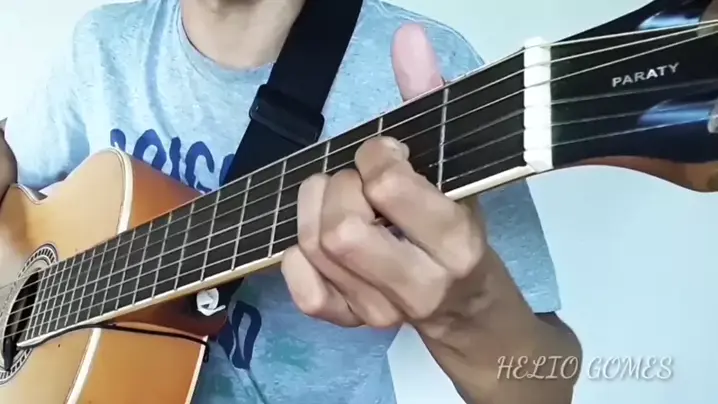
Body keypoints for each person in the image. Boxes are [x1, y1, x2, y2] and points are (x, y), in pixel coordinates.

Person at [0, 0, 581, 402]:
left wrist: (467, 313)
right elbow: (16, 194)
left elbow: (546, 389)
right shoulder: (101, 45)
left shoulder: (427, 74)